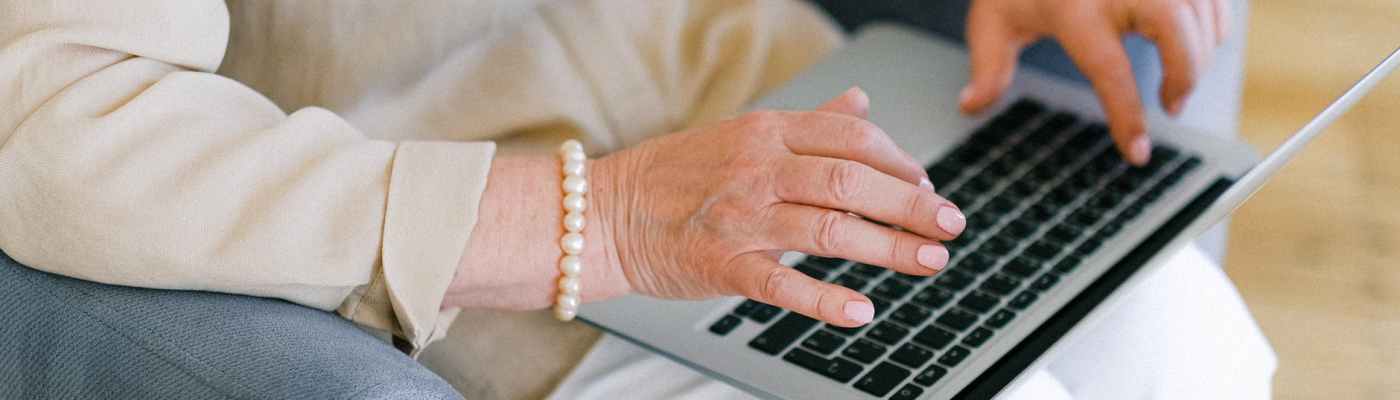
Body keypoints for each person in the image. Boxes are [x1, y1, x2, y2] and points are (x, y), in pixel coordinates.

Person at [0, 0, 1272, 398]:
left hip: (786, 98)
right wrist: (595, 220)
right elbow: (52, 117)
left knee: (1182, 336)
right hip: (487, 258)